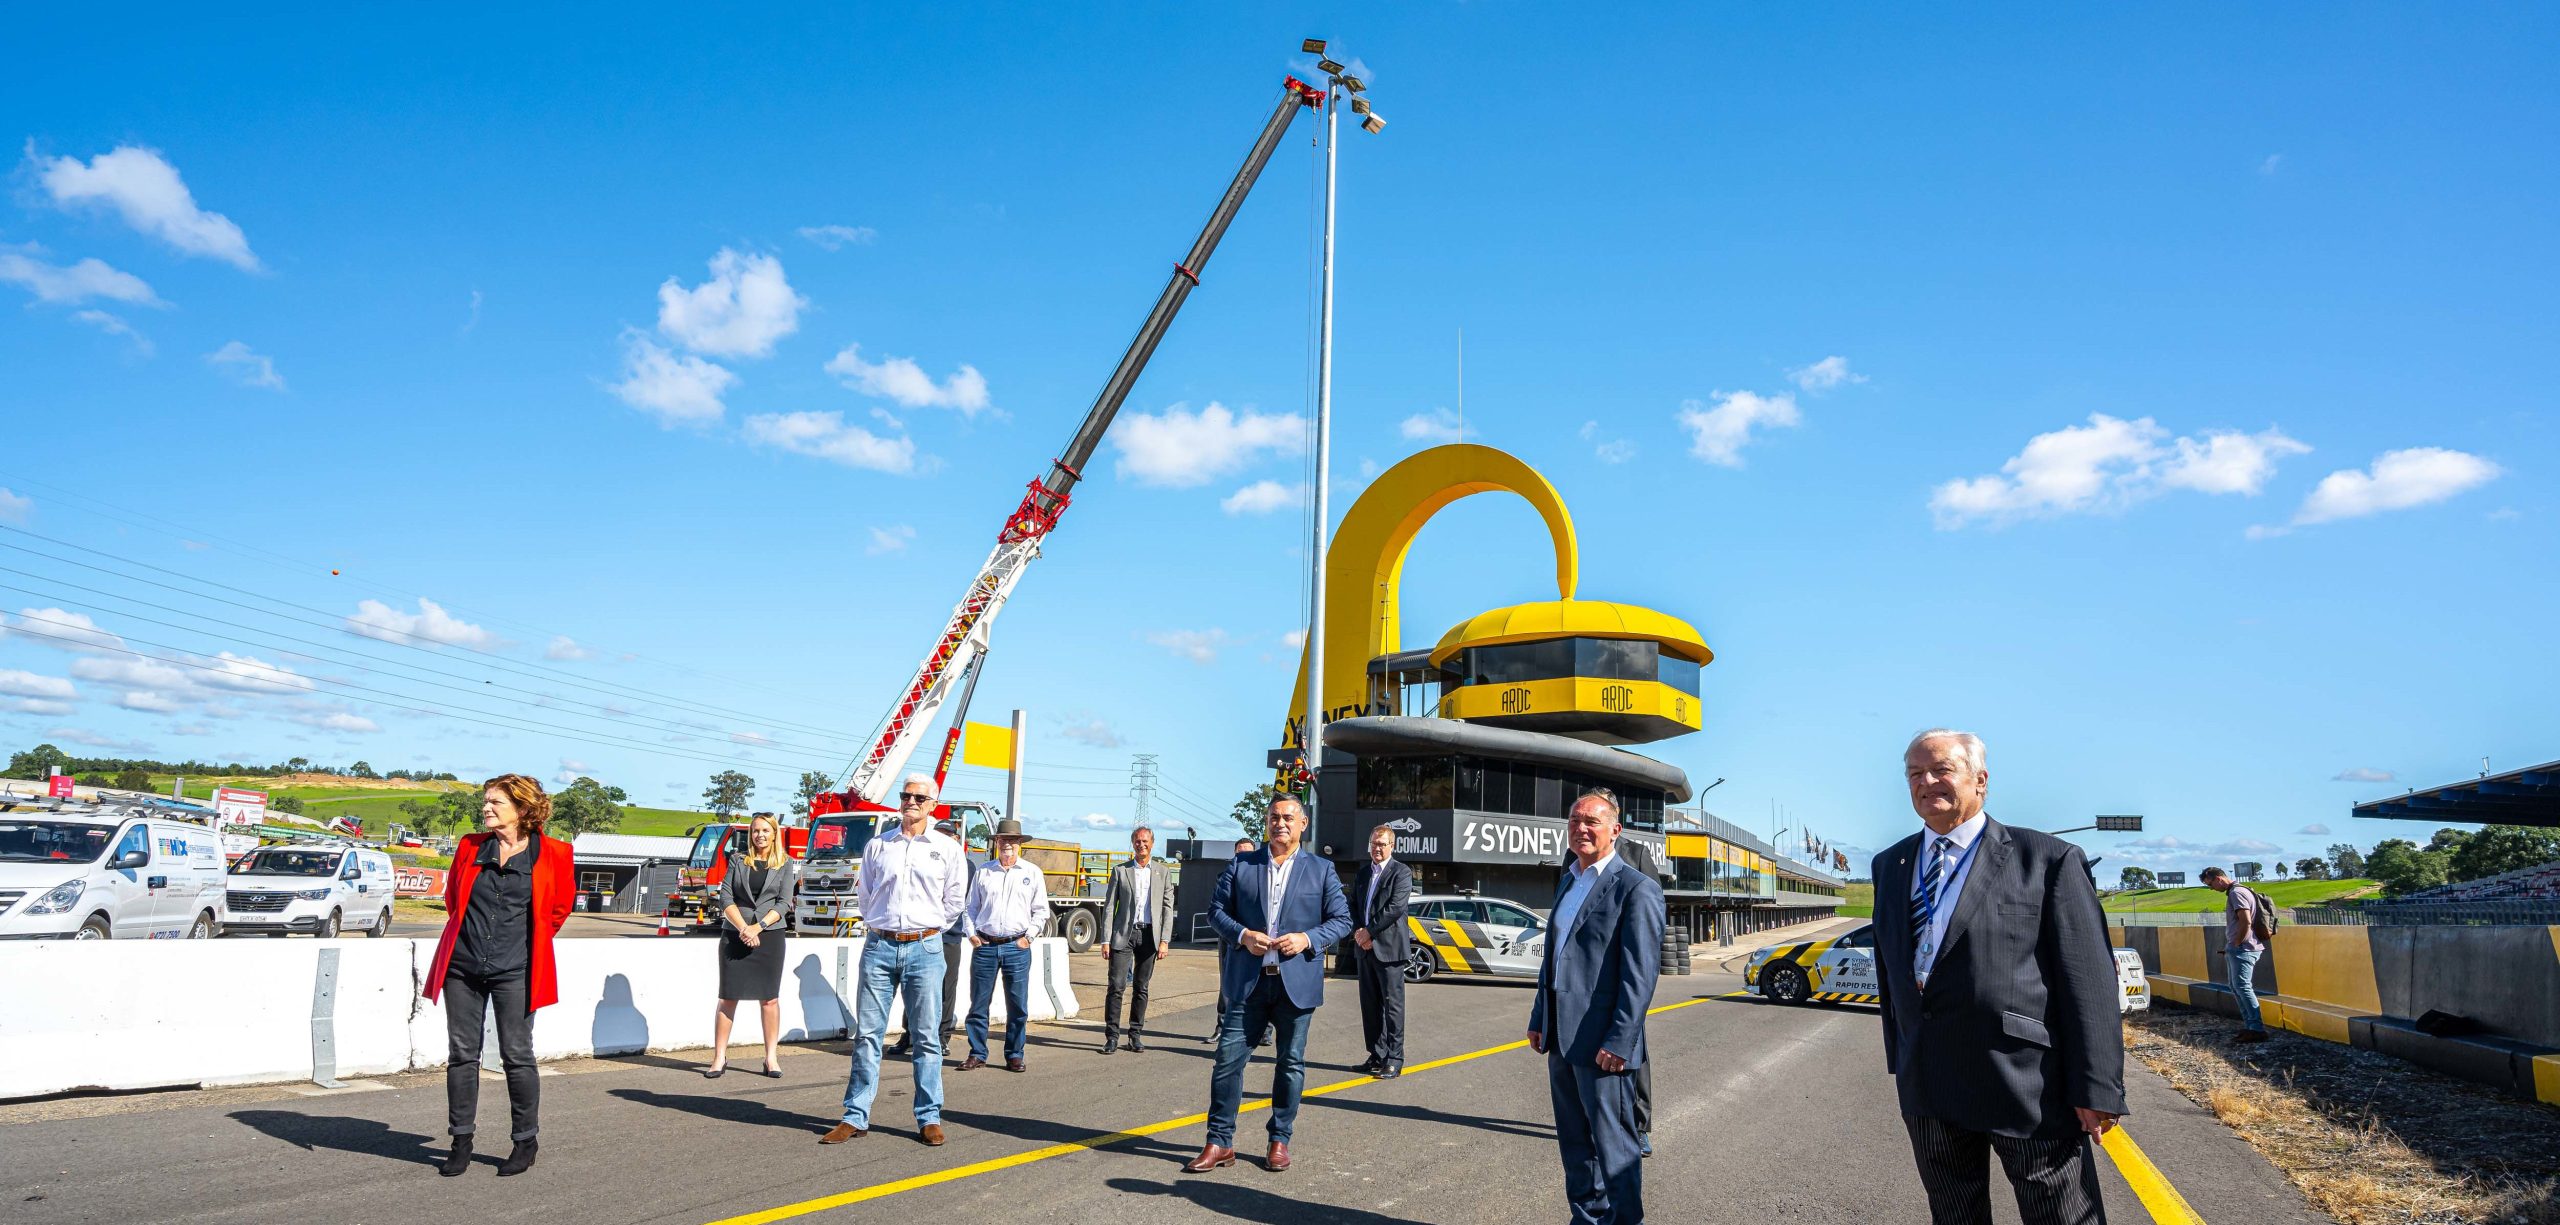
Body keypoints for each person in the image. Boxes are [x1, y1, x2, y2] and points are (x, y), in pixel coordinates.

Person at [1873, 729, 2125, 1225]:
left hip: (2025, 1082)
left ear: (1980, 780)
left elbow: (2088, 980)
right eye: (1915, 774)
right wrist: (1902, 1054)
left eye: (1941, 770)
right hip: (1929, 1080)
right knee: (1954, 1214)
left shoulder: (2046, 859)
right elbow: (1892, 969)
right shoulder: (1891, 865)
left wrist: (2097, 1087)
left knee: (2060, 1214)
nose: (1926, 782)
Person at [1185, 797, 1350, 1175]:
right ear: (1266, 821)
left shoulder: (1321, 869)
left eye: (1288, 817)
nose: (1280, 823)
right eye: (1274, 817)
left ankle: (1279, 1140)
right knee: (1227, 1062)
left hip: (1296, 985)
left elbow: (1342, 920)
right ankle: (1219, 1142)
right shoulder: (1242, 864)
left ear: (1303, 823)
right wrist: (1243, 935)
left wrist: (1307, 939)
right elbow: (1216, 913)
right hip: (1248, 984)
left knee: (1290, 1065)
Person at [422, 773, 575, 1178]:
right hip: (462, 967)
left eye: (496, 802)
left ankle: (525, 1142)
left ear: (522, 809)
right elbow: (453, 899)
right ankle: (460, 1142)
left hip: (517, 971)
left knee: (517, 1055)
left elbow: (558, 910)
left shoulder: (556, 853)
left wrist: (520, 946)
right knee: (462, 1054)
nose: (486, 807)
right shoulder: (470, 846)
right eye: (486, 800)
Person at [1527, 791, 1662, 1225]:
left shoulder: (1637, 888)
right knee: (1575, 1145)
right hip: (1561, 1040)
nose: (1581, 828)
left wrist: (1621, 1040)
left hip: (1604, 1045)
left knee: (1615, 1149)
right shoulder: (1569, 881)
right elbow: (1555, 958)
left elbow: (1639, 976)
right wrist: (1539, 1018)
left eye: (1592, 821)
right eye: (1574, 820)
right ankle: (1587, 1219)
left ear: (1615, 830)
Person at [822, 774, 971, 1148]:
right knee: (868, 1035)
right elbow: (866, 895)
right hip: (879, 947)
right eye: (906, 795)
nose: (911, 802)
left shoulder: (947, 849)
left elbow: (955, 900)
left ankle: (929, 1117)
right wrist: (882, 924)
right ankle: (855, 1116)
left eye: (919, 797)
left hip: (926, 948)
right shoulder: (879, 845)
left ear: (932, 804)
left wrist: (927, 928)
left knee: (926, 1037)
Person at [706, 813, 796, 1078]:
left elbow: (784, 902)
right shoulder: (737, 860)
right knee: (728, 997)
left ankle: (771, 1058)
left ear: (774, 833)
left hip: (770, 935)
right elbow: (725, 897)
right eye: (755, 830)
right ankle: (719, 1057)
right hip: (735, 934)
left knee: (769, 999)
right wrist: (744, 927)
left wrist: (759, 926)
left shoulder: (786, 863)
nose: (760, 835)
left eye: (765, 830)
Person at [958, 819, 1049, 1072]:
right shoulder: (984, 872)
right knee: (978, 1004)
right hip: (985, 946)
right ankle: (977, 1053)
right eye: (1003, 839)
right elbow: (970, 908)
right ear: (996, 842)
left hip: (1016, 947)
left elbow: (1041, 911)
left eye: (1012, 840)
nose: (1007, 844)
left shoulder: (1032, 873)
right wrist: (972, 935)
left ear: (1020, 843)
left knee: (1017, 1005)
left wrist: (1028, 938)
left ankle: (1014, 1054)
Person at [889, 815, 970, 1059]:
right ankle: (909, 1035)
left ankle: (942, 1037)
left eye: (949, 835)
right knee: (913, 988)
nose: (945, 839)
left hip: (948, 936)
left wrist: (941, 926)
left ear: (956, 838)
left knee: (945, 989)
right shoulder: (921, 858)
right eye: (941, 834)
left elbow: (960, 902)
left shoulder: (965, 864)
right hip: (920, 935)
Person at [1100, 825, 1176, 1054]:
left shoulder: (1163, 872)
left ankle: (1135, 1035)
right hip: (1123, 935)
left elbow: (1167, 908)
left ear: (1152, 844)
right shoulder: (1120, 871)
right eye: (1137, 841)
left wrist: (1165, 940)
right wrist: (1105, 940)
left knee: (1141, 988)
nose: (1141, 845)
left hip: (1149, 936)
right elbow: (1109, 907)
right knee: (1116, 986)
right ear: (1133, 843)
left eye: (1145, 841)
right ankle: (1112, 1037)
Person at [1351, 822, 1412, 1078]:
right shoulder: (1363, 874)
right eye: (1373, 843)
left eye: (1382, 844)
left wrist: (1369, 932)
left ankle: (1394, 1058)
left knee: (1392, 1007)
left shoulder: (1401, 872)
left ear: (1392, 846)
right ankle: (1376, 1055)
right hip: (1364, 949)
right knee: (1370, 1006)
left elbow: (1395, 908)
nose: (1377, 848)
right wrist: (1359, 932)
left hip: (1389, 950)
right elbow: (1353, 906)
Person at [2202, 867, 2270, 1044]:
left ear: (2218, 879)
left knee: (2243, 987)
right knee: (2237, 987)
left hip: (2244, 948)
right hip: (2242, 947)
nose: (2212, 889)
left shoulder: (2236, 893)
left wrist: (2236, 943)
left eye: (2210, 885)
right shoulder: (2240, 891)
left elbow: (2245, 921)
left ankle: (2256, 1028)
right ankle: (2250, 1026)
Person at [1209, 837, 1256, 1043]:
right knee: (1226, 981)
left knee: (1261, 981)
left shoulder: (1264, 878)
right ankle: (1222, 1026)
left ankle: (1264, 1030)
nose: (1243, 856)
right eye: (1240, 853)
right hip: (1230, 937)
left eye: (1248, 853)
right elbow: (1217, 909)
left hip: (1256, 937)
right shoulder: (1224, 877)